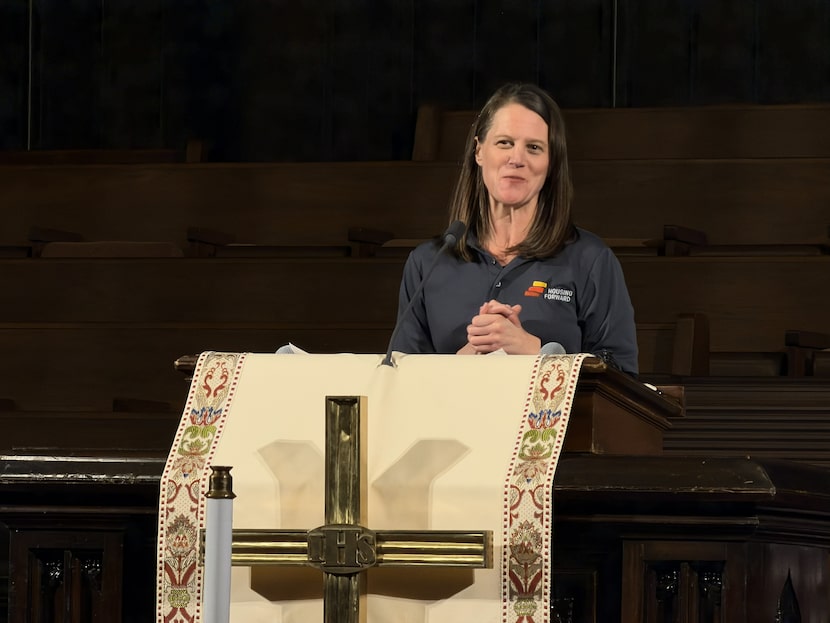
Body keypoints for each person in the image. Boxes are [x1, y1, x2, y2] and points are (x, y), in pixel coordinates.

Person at [390, 82, 639, 375]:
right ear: (479, 151)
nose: (516, 159)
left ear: (551, 162)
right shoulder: (427, 263)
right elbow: (401, 378)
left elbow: (622, 374)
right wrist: (461, 362)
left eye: (533, 147)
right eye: (504, 143)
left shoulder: (590, 259)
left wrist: (536, 352)